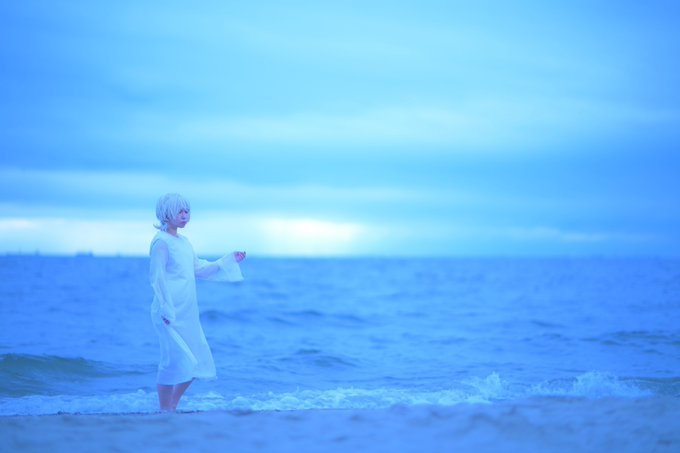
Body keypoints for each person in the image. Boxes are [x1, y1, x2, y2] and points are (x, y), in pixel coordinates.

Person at [149, 193, 246, 412]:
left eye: (187, 211)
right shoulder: (161, 242)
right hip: (168, 311)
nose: (185, 216)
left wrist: (227, 260)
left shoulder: (184, 242)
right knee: (171, 361)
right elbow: (157, 276)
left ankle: (171, 406)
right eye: (180, 211)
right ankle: (164, 409)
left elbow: (199, 269)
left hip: (187, 312)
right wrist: (165, 307)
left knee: (196, 360)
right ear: (166, 213)